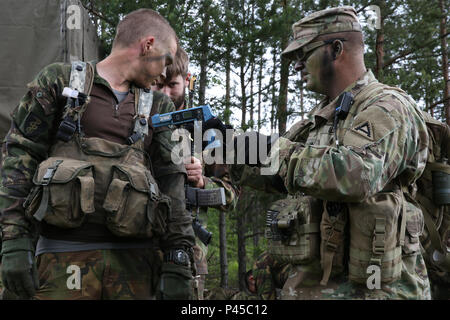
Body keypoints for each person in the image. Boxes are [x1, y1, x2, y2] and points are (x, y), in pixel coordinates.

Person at [229, 6, 431, 299]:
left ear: (336, 49)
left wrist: (265, 151)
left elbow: (354, 174)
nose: (296, 65)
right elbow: (281, 171)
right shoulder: (321, 116)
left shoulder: (387, 107)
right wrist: (226, 151)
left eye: (304, 54)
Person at [0, 8, 195, 300]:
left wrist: (178, 257)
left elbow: (172, 183)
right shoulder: (57, 81)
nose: (165, 72)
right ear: (148, 45)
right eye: (166, 59)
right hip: (58, 260)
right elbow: (19, 159)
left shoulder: (160, 107)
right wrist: (14, 241)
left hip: (136, 266)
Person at [151, 47, 239, 300]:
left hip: (187, 255)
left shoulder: (209, 130)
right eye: (158, 85)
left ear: (187, 81)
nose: (166, 93)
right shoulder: (135, 119)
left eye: (172, 85)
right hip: (133, 248)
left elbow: (231, 195)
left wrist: (202, 182)